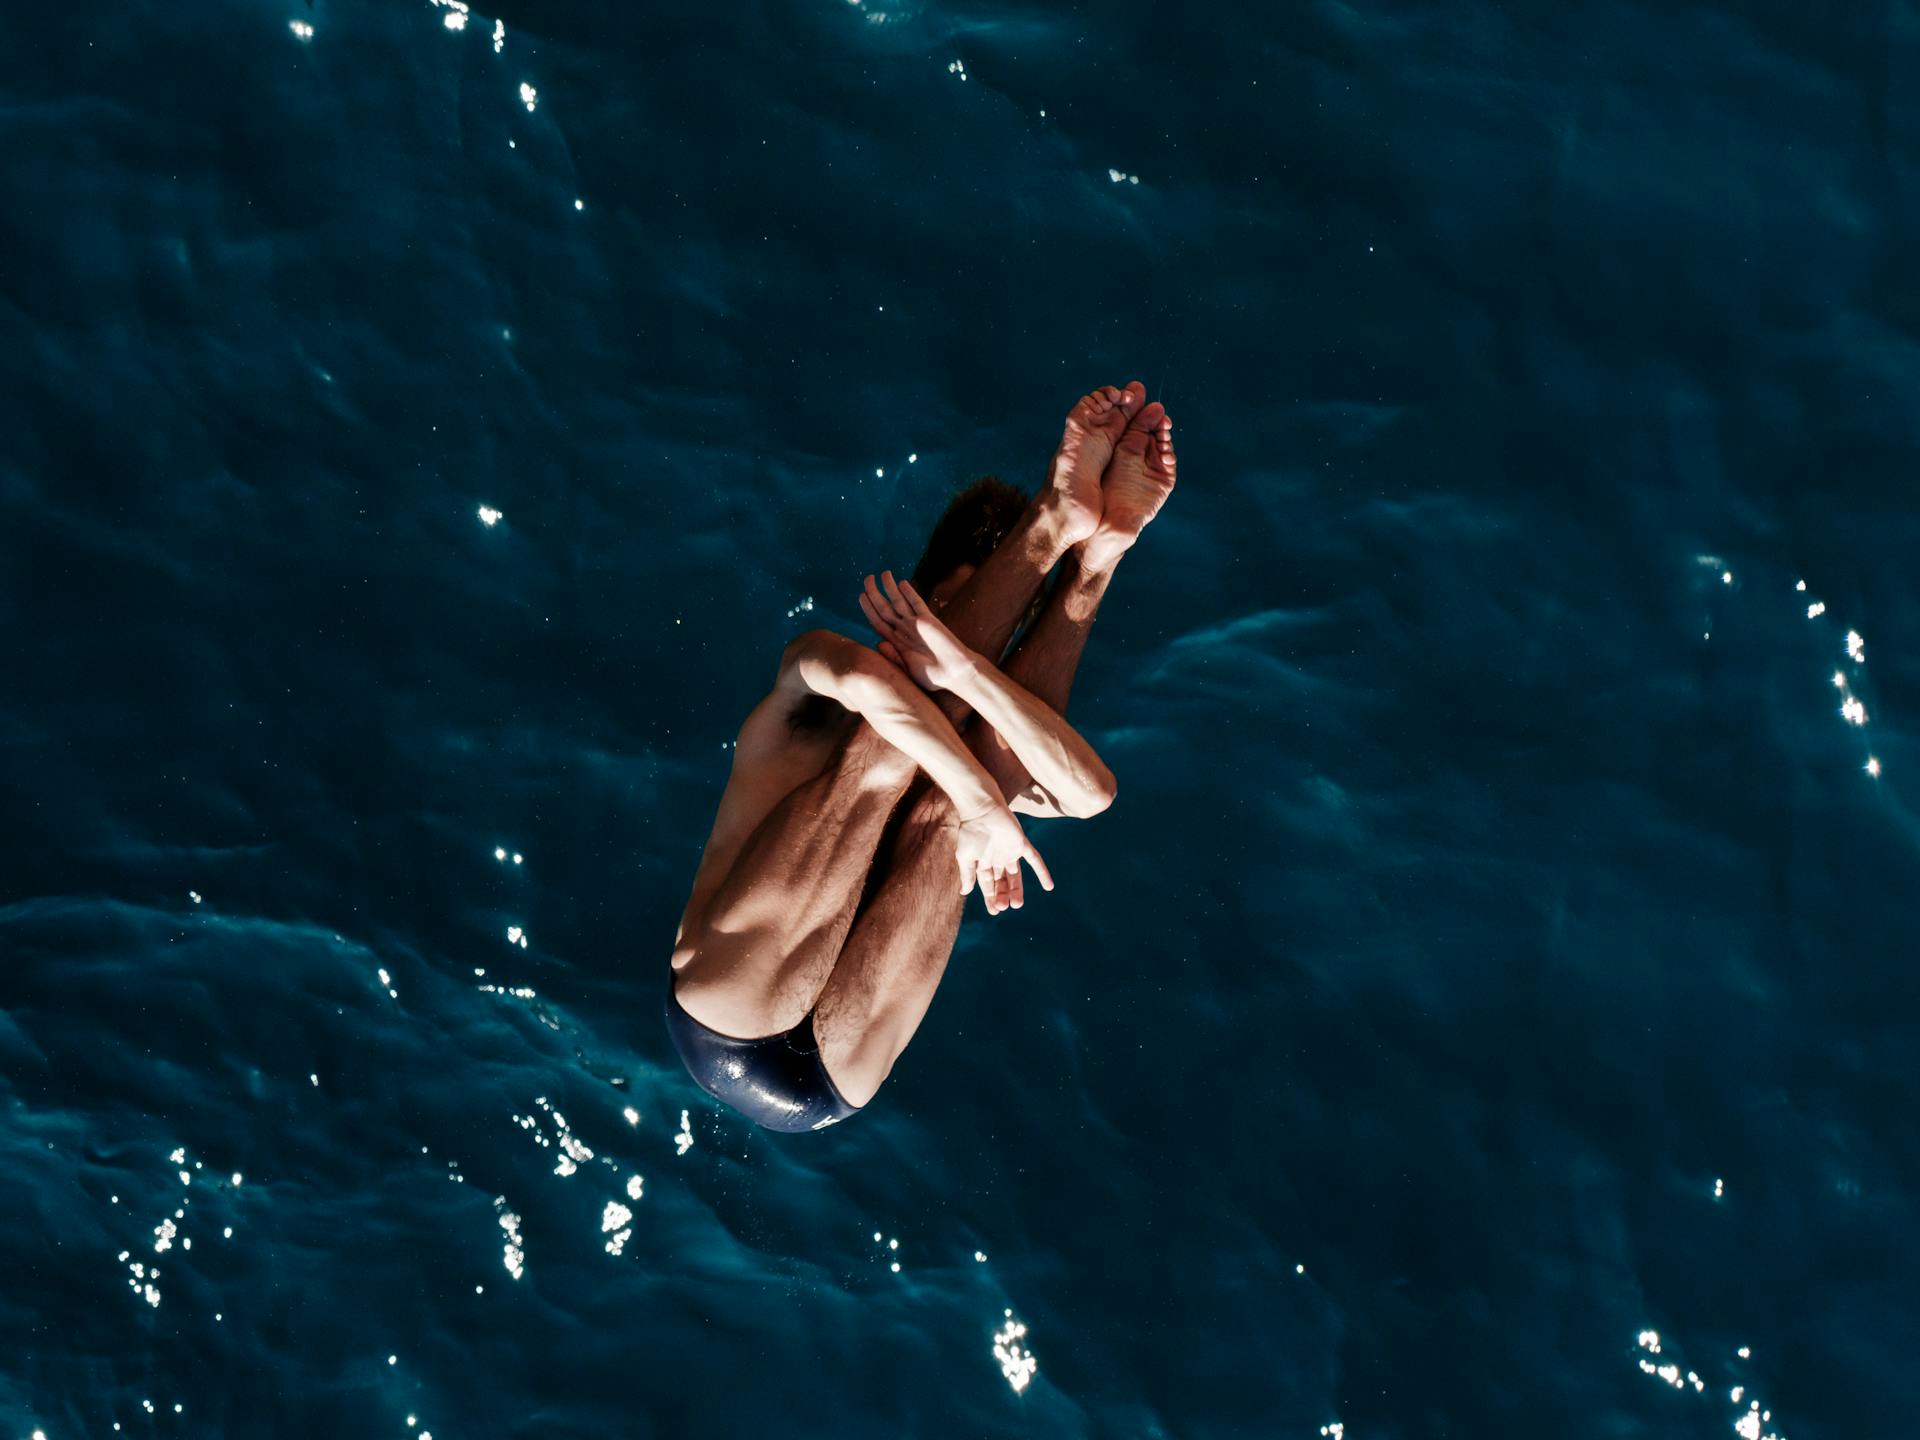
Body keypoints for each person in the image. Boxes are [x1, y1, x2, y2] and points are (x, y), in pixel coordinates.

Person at [665, 382, 1178, 1130]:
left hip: (833, 1082)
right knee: (896, 756)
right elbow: (872, 690)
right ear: (918, 602)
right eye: (949, 626)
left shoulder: (983, 758)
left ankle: (1091, 559)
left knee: (957, 809)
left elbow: (1092, 793)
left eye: (976, 641)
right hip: (728, 1016)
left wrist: (974, 678)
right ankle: (1053, 520)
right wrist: (982, 800)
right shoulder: (817, 680)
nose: (953, 648)